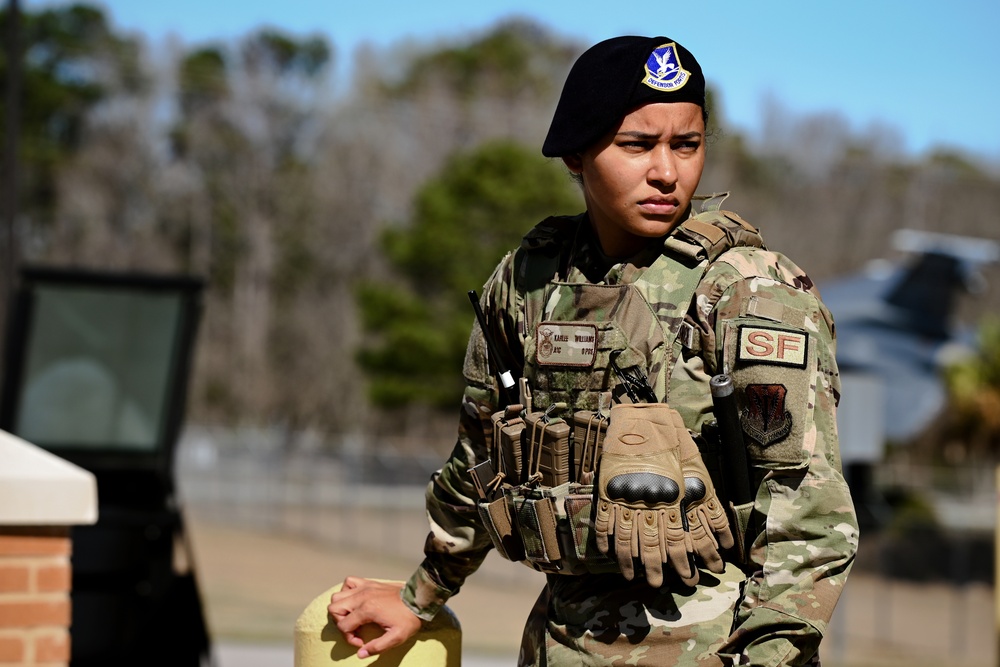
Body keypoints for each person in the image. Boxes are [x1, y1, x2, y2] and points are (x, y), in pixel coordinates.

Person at [329, 35, 859, 666]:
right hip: (557, 644)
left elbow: (808, 511)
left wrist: (769, 656)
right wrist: (422, 594)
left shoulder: (748, 291)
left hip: (711, 648)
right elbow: (480, 456)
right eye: (638, 145)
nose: (667, 171)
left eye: (686, 145)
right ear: (575, 156)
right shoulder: (527, 281)